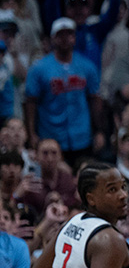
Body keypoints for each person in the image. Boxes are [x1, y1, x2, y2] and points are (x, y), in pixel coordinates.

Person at [23, 18, 99, 161]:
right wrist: (31, 133)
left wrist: (99, 131)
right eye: (60, 35)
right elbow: (30, 102)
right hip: (51, 136)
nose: (65, 39)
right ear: (53, 38)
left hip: (81, 135)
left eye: (69, 34)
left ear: (74, 38)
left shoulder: (87, 66)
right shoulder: (39, 68)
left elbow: (94, 99)